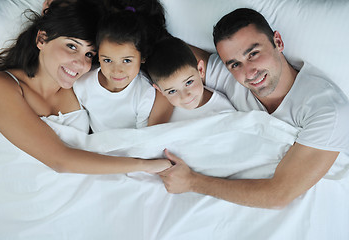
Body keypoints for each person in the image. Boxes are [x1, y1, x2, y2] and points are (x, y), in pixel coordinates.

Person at [158, 8, 349, 208]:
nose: (249, 73)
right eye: (234, 64)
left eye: (254, 54)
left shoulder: (327, 109)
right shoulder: (229, 77)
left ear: (278, 42)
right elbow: (170, 53)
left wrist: (192, 182)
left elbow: (278, 195)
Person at [0, 0, 171, 174]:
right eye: (71, 46)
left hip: (90, 186)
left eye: (89, 54)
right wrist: (144, 165)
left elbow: (160, 69)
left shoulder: (85, 82)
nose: (80, 63)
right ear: (42, 39)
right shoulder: (1, 85)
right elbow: (60, 160)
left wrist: (152, 141)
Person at [73, 0, 173, 132]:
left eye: (126, 61)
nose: (117, 71)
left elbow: (142, 139)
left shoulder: (145, 93)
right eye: (108, 60)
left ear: (142, 57)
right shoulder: (82, 83)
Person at [146, 36, 235, 122]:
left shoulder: (223, 111)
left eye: (189, 82)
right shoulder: (163, 114)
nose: (185, 96)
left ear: (200, 70)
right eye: (172, 91)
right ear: (160, 90)